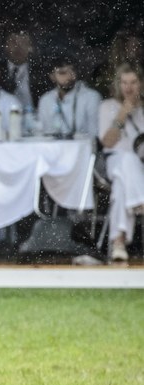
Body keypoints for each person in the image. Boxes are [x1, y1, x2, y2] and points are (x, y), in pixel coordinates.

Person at [97, 63, 144, 263]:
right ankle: (140, 202)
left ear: (140, 84)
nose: (129, 87)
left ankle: (118, 242)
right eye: (124, 82)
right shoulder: (107, 106)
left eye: (133, 82)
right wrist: (123, 112)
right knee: (126, 159)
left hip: (140, 167)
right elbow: (107, 141)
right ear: (118, 84)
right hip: (114, 160)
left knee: (121, 187)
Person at [37, 56, 101, 139]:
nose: (69, 77)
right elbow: (42, 132)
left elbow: (95, 134)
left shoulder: (91, 97)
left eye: (72, 71)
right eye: (63, 73)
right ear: (52, 77)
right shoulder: (46, 100)